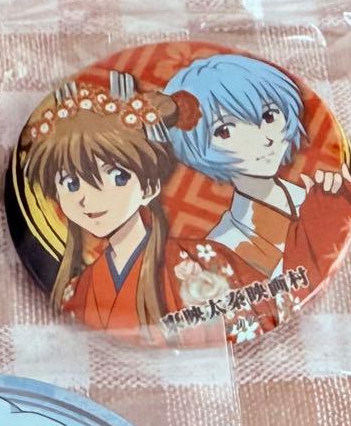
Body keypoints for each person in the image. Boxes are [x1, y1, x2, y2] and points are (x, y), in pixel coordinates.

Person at [163, 52, 351, 330]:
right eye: (225, 131)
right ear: (197, 149)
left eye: (269, 116)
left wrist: (333, 204)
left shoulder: (318, 193)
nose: (263, 139)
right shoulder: (223, 244)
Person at [21, 71, 212, 339]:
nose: (88, 198)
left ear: (149, 187)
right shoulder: (78, 289)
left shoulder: (198, 265)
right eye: (71, 184)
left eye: (117, 177)